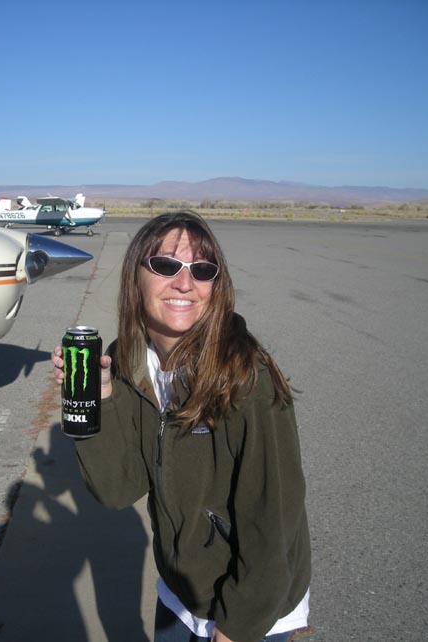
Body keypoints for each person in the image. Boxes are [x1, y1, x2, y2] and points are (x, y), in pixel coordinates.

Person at [52, 211, 311, 642]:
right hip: (180, 590)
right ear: (136, 276)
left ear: (216, 285)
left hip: (250, 606)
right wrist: (99, 400)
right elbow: (117, 488)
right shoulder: (127, 361)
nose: (185, 283)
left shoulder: (244, 377)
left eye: (202, 270)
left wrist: (238, 627)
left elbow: (274, 516)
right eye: (166, 266)